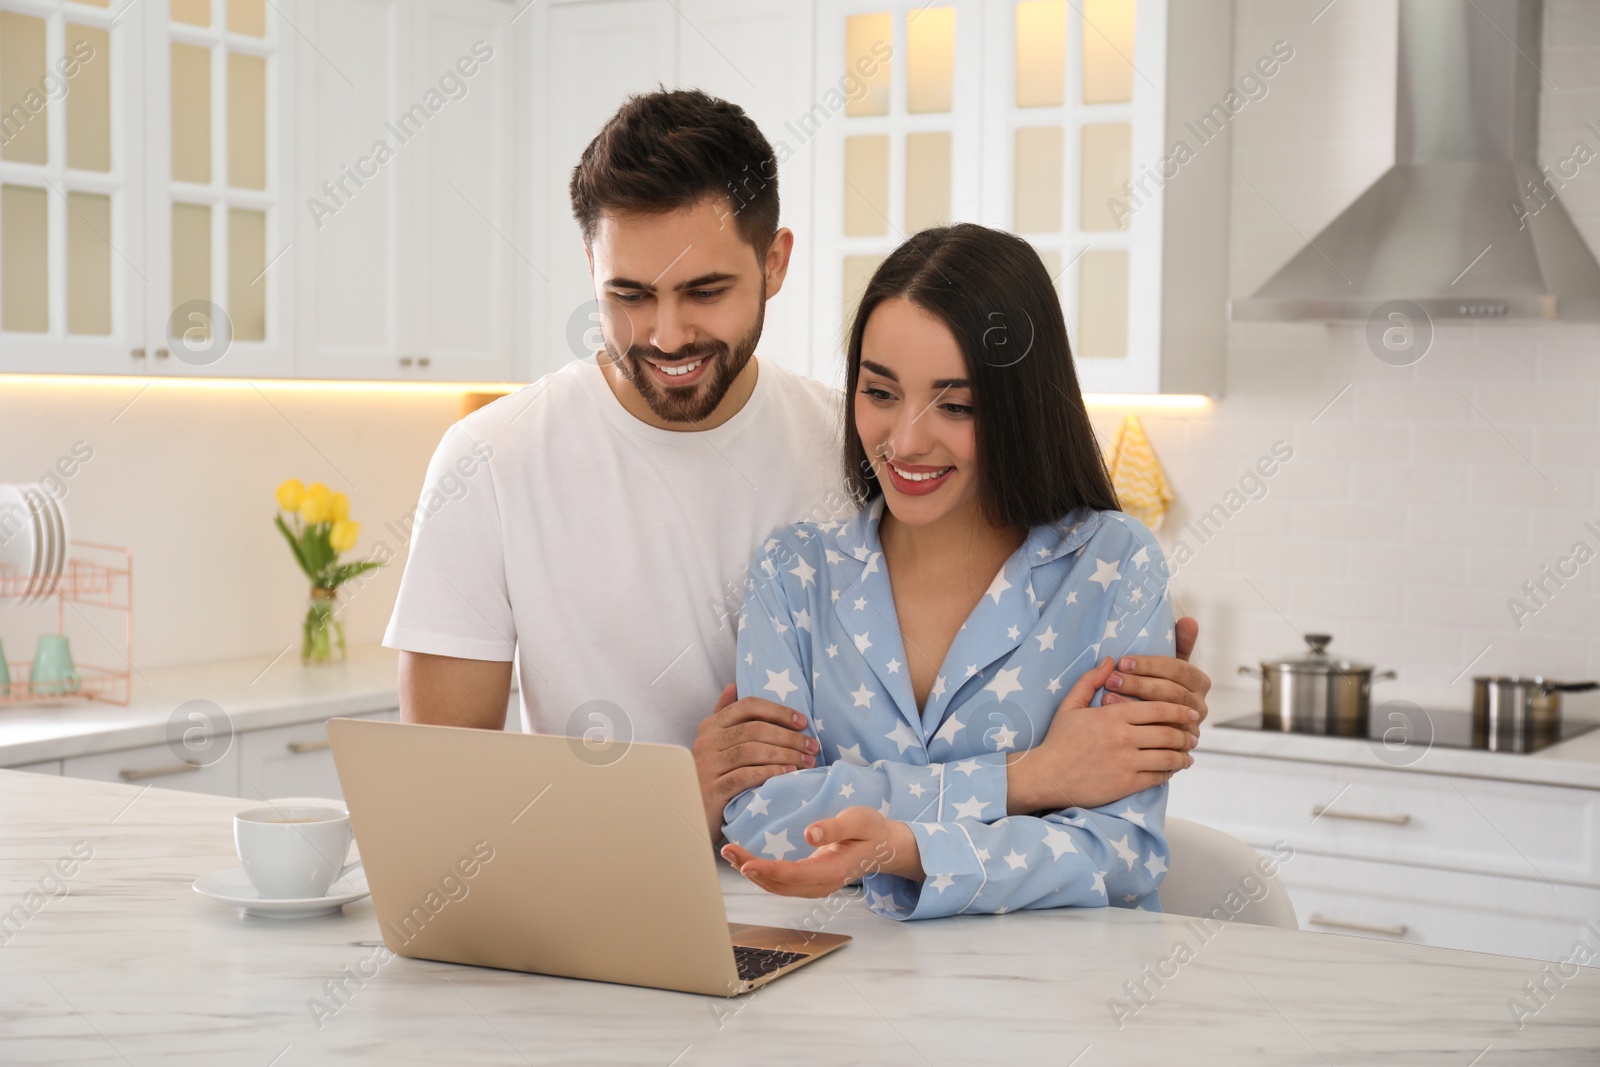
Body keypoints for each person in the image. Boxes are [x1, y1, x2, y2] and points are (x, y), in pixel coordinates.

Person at [383, 89, 1211, 840]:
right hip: (605, 904)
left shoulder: (857, 443)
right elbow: (439, 812)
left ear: (775, 262)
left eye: (704, 291)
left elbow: (1018, 617)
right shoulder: (492, 462)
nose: (666, 335)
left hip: (840, 919)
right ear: (591, 272)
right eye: (629, 295)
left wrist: (1125, 661)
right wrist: (679, 797)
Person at [719, 224, 1180, 920]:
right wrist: (1025, 780)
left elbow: (1119, 851)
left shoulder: (1115, 567)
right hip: (846, 993)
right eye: (880, 393)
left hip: (1060, 1001)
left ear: (1021, 403)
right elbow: (764, 820)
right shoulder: (795, 573)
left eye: (956, 405)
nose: (905, 440)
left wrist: (906, 846)